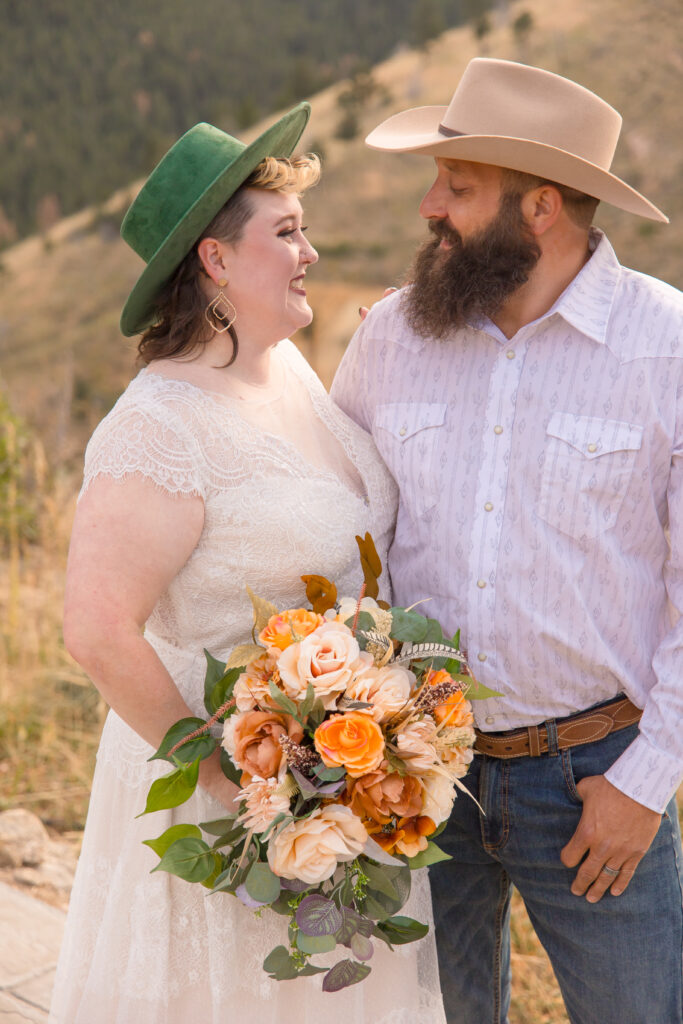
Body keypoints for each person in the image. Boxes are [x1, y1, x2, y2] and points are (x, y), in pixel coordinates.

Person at [49, 103, 446, 1024]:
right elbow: (97, 631)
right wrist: (238, 788)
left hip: (338, 779)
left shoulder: (290, 371)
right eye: (287, 232)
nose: (310, 251)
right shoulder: (158, 425)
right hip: (228, 796)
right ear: (217, 262)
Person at [331, 58, 683, 1024]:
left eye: (457, 186)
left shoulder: (667, 349)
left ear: (539, 209)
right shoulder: (390, 338)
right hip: (411, 775)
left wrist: (645, 784)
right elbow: (335, 527)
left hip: (594, 783)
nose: (427, 206)